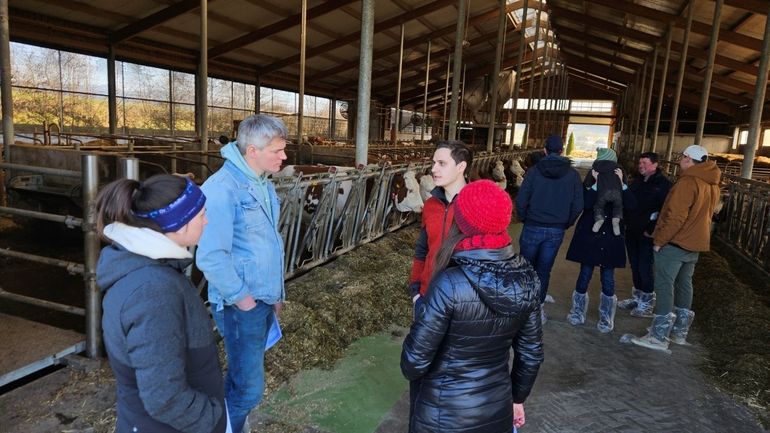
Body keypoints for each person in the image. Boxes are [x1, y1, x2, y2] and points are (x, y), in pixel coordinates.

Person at [401, 180, 544, 433]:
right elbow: (530, 355)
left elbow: (413, 363)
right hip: (496, 408)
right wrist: (517, 399)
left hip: (442, 414)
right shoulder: (528, 278)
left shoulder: (449, 283)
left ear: (462, 222)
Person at [96, 174, 229, 433]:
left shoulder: (147, 268)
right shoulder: (153, 291)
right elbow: (163, 396)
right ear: (179, 225)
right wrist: (210, 420)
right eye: (201, 214)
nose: (207, 220)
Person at [196, 114, 288, 432]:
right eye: (277, 150)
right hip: (239, 304)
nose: (284, 156)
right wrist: (244, 300)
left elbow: (266, 243)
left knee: (241, 381)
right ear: (252, 150)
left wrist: (274, 295)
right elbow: (209, 256)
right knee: (248, 390)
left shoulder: (260, 183)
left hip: (260, 297)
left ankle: (230, 423)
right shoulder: (222, 189)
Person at [631, 145, 721, 352]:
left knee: (664, 284)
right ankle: (679, 332)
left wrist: (659, 240)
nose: (680, 161)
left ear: (689, 159)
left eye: (682, 158)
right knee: (684, 284)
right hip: (696, 242)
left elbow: (675, 216)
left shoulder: (688, 182)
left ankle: (658, 335)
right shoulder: (712, 184)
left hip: (677, 242)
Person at [406, 139, 472, 422]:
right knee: (420, 370)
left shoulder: (474, 205)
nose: (433, 169)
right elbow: (423, 249)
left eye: (441, 163)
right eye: (433, 162)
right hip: (427, 298)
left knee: (453, 373)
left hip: (461, 305)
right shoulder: (431, 205)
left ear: (461, 166)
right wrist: (415, 290)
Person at [515, 134, 583, 322]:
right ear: (562, 151)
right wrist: (565, 222)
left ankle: (522, 306)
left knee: (525, 267)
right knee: (544, 269)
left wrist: (524, 217)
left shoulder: (534, 171)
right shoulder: (573, 175)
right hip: (556, 230)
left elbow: (521, 199)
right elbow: (578, 205)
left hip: (532, 225)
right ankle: (538, 310)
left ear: (544, 150)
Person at [565, 163, 637, 333]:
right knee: (585, 274)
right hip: (592, 237)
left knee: (608, 277)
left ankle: (606, 318)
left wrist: (623, 184)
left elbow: (632, 205)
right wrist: (596, 185)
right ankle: (578, 312)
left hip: (610, 238)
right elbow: (586, 204)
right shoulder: (592, 186)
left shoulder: (620, 189)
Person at [618, 152, 672, 317]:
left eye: (645, 163)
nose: (640, 165)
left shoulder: (663, 185)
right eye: (640, 162)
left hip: (648, 234)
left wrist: (652, 229)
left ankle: (647, 305)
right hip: (632, 230)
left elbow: (666, 211)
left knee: (644, 267)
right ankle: (637, 298)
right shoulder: (637, 181)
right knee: (634, 265)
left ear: (655, 165)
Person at [590, 147, 625, 235]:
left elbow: (587, 185)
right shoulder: (619, 169)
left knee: (598, 207)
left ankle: (599, 219)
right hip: (617, 194)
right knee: (618, 206)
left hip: (602, 194)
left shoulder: (595, 169)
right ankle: (616, 219)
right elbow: (624, 185)